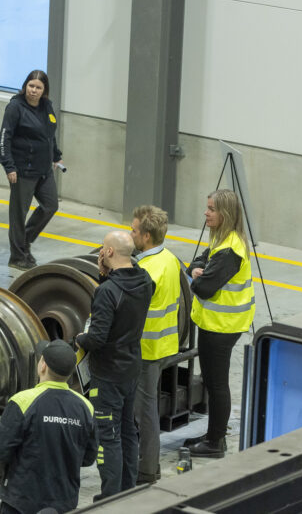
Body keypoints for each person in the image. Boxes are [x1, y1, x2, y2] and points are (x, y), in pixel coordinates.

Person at [74, 231, 152, 500]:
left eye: (103, 249)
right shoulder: (145, 280)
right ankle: (127, 492)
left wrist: (79, 338)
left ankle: (109, 499)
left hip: (107, 374)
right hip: (131, 368)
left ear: (107, 252)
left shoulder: (106, 292)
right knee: (128, 431)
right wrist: (105, 274)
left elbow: (97, 338)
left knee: (108, 437)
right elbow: (123, 295)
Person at [183, 189, 253, 459]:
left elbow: (205, 287)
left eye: (211, 209)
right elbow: (198, 262)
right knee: (212, 381)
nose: (206, 213)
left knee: (217, 383)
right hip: (215, 322)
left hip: (223, 326)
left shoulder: (229, 250)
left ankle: (215, 442)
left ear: (225, 213)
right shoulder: (222, 239)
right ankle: (213, 435)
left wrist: (196, 276)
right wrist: (196, 270)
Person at [0, 339, 97, 514]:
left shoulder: (22, 401)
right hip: (64, 503)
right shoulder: (86, 407)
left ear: (43, 365)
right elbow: (88, 458)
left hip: (20, 502)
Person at [129, 205, 182, 483]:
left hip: (147, 350)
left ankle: (147, 470)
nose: (131, 234)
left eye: (134, 230)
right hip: (164, 344)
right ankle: (147, 465)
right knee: (145, 407)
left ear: (146, 236)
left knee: (145, 411)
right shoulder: (170, 259)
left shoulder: (145, 270)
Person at [0, 69, 64, 270]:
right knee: (19, 215)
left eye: (38, 87)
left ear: (44, 90)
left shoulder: (47, 106)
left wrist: (56, 155)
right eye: (31, 86)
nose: (33, 90)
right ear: (25, 86)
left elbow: (49, 134)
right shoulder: (15, 107)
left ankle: (25, 240)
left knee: (50, 205)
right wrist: (9, 166)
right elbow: (4, 138)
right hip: (22, 171)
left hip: (44, 170)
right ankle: (17, 256)